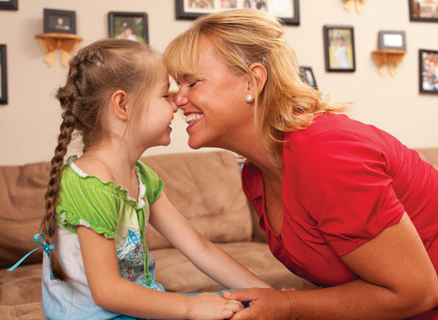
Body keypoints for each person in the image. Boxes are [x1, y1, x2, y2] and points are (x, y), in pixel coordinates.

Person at [163, 9, 438, 319]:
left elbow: (416, 292)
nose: (178, 99)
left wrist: (291, 307)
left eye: (191, 83)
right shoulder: (255, 175)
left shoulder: (326, 154)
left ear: (252, 82)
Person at [32, 38, 271, 320]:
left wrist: (267, 295)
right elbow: (107, 292)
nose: (176, 105)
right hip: (97, 315)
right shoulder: (91, 180)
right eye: (164, 95)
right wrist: (191, 307)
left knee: (245, 308)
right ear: (122, 104)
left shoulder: (143, 178)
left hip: (132, 310)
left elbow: (199, 248)